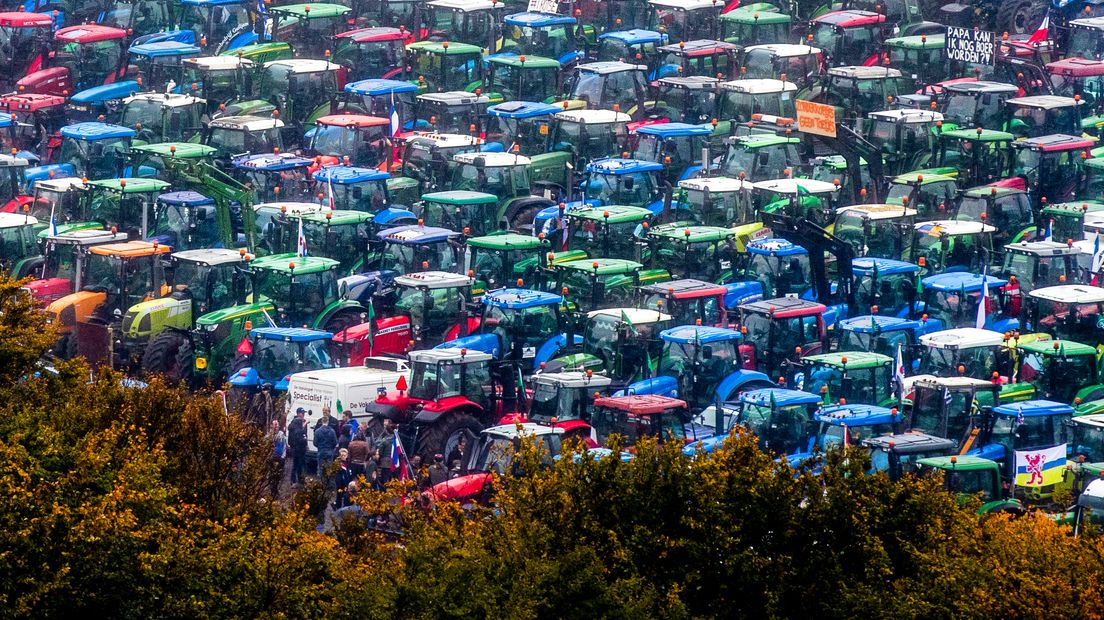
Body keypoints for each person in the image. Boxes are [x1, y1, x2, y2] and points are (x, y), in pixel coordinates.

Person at [287, 408, 309, 484]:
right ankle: (293, 481)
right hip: (296, 447)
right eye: (302, 413)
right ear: (298, 413)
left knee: (300, 464)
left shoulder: (301, 422)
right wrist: (304, 424)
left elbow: (304, 435)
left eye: (304, 413)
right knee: (296, 464)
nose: (303, 415)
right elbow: (298, 433)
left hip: (302, 447)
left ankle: (300, 480)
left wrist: (306, 444)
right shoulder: (295, 422)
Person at [268, 419, 286, 497]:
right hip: (272, 458)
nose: (276, 426)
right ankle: (272, 490)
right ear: (271, 426)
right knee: (272, 475)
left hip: (280, 458)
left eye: (277, 424)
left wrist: (283, 456)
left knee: (278, 475)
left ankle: (276, 490)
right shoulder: (269, 436)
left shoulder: (281, 435)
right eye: (275, 424)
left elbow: (284, 446)